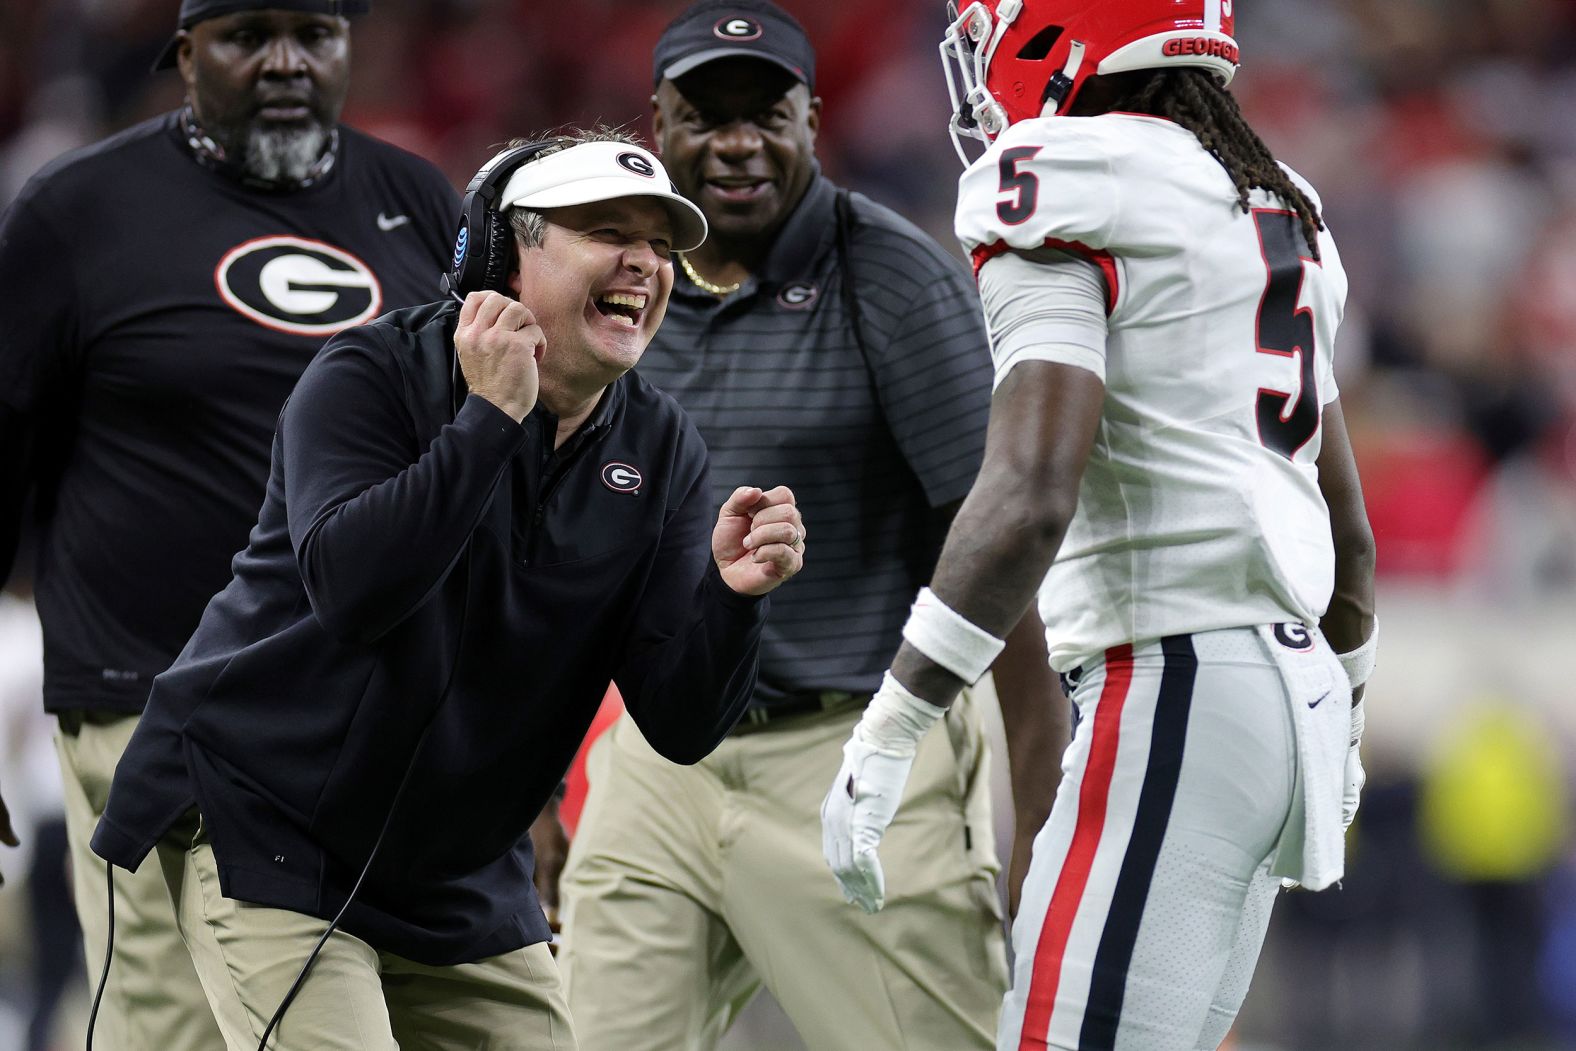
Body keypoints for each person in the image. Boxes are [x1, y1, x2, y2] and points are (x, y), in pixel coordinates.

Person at [89, 128, 804, 1051]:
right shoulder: (369, 372)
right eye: (605, 230)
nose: (644, 263)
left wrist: (734, 599)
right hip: (273, 826)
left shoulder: (662, 448)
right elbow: (354, 593)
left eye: (662, 245)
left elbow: (680, 721)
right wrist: (487, 422)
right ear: (508, 256)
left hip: (459, 876)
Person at [820, 3, 1379, 1050]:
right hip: (1286, 690)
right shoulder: (1279, 200)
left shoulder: (1062, 173)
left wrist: (893, 722)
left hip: (1171, 682)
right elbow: (1349, 539)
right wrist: (1337, 720)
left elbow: (1030, 493)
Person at [555, 4, 1067, 1049]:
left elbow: (998, 547)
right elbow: (570, 562)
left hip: (856, 752)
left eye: (765, 111)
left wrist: (1041, 820)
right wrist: (533, 786)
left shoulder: (888, 278)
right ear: (657, 125)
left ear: (813, 118)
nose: (736, 140)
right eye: (705, 114)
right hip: (659, 762)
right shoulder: (624, 290)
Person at [0, 1, 458, 1046]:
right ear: (184, 51)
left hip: (375, 715)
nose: (286, 63)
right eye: (249, 35)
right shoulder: (76, 210)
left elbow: (469, 454)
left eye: (314, 35)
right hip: (148, 703)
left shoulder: (418, 202)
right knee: (175, 1030)